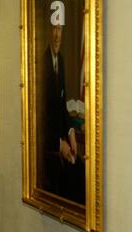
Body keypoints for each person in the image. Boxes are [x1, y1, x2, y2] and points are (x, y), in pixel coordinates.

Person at [39, 23, 85, 204]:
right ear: (48, 31)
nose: (57, 35)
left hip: (62, 141)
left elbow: (62, 106)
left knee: (82, 171)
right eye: (54, 29)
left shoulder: (62, 61)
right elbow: (40, 115)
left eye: (60, 29)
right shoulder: (42, 63)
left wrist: (71, 134)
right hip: (48, 147)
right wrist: (59, 145)